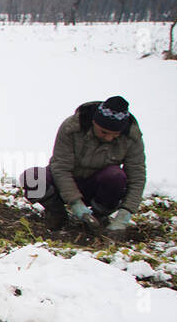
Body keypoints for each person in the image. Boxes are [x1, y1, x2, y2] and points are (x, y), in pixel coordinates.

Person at [21, 96, 145, 238]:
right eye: (103, 132)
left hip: (97, 187)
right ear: (94, 122)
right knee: (32, 177)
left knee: (116, 177)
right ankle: (57, 213)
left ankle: (99, 217)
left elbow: (137, 176)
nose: (109, 138)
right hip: (65, 184)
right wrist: (75, 203)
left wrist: (125, 213)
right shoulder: (71, 128)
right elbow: (61, 167)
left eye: (115, 135)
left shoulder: (132, 138)